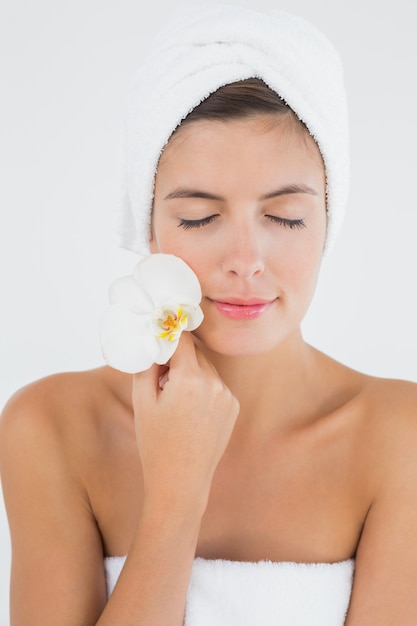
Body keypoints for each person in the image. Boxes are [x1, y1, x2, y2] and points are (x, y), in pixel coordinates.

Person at [1, 4, 417, 625]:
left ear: (330, 220)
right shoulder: (50, 428)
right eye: (199, 217)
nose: (246, 261)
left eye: (285, 217)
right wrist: (176, 494)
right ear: (149, 225)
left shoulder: (399, 438)